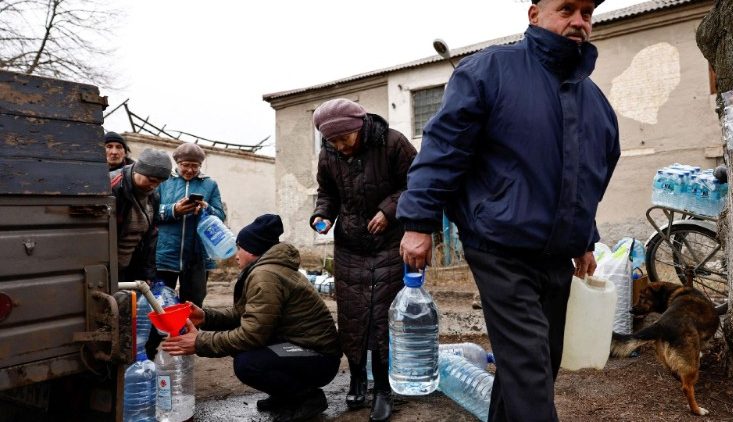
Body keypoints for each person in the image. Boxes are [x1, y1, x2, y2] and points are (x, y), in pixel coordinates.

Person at [396, 0, 620, 421]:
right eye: (566, 9)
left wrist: (585, 238)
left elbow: (587, 179)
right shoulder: (489, 71)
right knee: (531, 371)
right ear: (534, 15)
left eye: (586, 12)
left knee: (537, 366)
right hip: (500, 247)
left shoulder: (595, 102)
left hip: (556, 255)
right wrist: (419, 221)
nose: (578, 21)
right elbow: (444, 150)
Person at [161, 214, 341, 422]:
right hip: (306, 349)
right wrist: (206, 317)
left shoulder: (266, 276)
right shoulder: (268, 269)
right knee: (249, 353)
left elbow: (251, 335)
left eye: (240, 248)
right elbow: (245, 314)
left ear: (254, 250)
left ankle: (306, 398)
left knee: (248, 363)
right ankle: (285, 395)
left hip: (318, 357)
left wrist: (199, 342)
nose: (236, 255)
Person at [310, 98, 416, 422]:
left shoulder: (393, 143)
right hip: (350, 245)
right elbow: (326, 193)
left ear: (359, 128)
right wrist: (322, 216)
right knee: (353, 313)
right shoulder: (329, 154)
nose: (339, 147)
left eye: (344, 139)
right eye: (332, 141)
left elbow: (417, 183)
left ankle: (383, 388)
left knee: (383, 316)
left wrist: (388, 210)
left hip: (389, 242)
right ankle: (357, 377)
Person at [155, 143, 226, 307]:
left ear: (201, 166)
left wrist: (206, 208)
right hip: (164, 252)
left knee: (193, 303)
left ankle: (190, 333)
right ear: (177, 164)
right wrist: (174, 210)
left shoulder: (210, 184)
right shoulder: (164, 182)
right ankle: (159, 334)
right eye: (185, 165)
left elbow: (220, 215)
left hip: (197, 255)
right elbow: (150, 212)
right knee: (160, 303)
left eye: (195, 166)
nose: (190, 170)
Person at [110, 148, 173, 284]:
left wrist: (147, 273)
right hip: (107, 267)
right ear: (138, 170)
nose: (154, 186)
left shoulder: (153, 196)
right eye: (151, 180)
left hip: (131, 266)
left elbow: (151, 236)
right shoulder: (112, 188)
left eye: (159, 183)